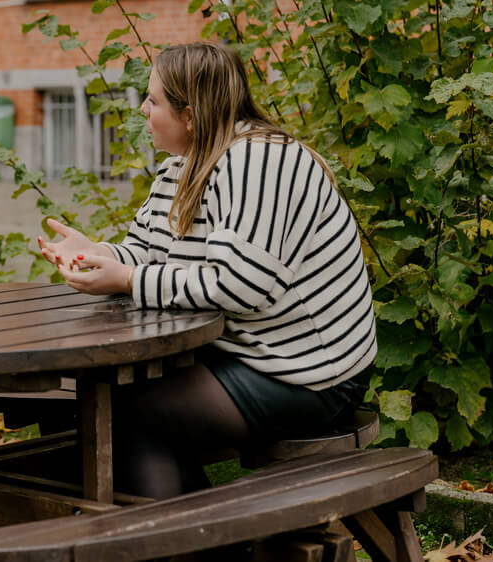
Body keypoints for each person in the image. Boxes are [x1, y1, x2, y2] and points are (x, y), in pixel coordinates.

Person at [38, 41, 376, 498]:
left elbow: (241, 286)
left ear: (191, 115)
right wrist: (99, 255)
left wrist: (129, 279)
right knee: (97, 400)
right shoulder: (181, 167)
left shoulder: (260, 160)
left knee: (128, 411)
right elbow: (145, 250)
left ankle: (177, 542)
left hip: (309, 372)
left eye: (153, 100)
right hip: (246, 352)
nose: (143, 108)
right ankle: (174, 536)